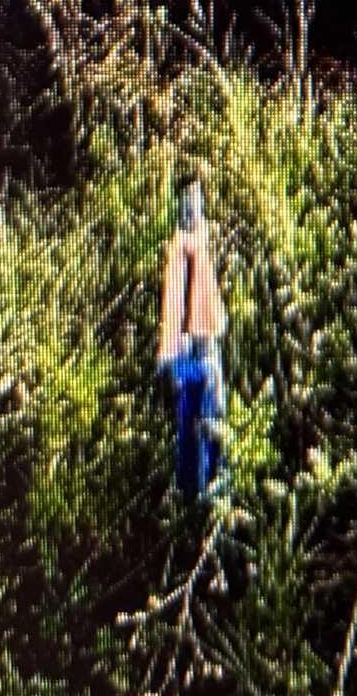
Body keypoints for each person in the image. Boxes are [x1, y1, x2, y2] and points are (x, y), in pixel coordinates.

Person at [157, 177, 227, 500]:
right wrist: (174, 354)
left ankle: (210, 484)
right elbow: (175, 308)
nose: (192, 210)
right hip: (188, 353)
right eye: (187, 203)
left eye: (195, 203)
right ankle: (193, 492)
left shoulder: (198, 243)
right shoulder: (181, 248)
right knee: (193, 420)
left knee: (211, 416)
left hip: (203, 344)